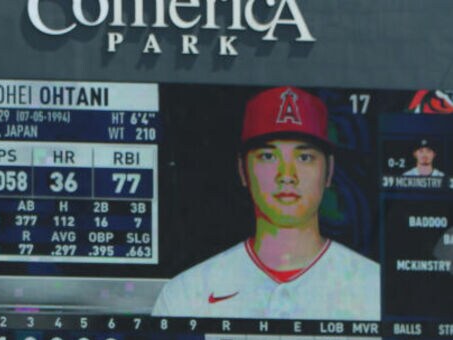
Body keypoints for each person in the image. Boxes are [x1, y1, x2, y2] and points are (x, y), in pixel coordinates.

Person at [153, 85, 380, 320]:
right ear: (243, 169)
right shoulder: (188, 293)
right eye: (268, 156)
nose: (287, 175)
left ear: (329, 171)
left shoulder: (374, 288)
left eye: (304, 157)